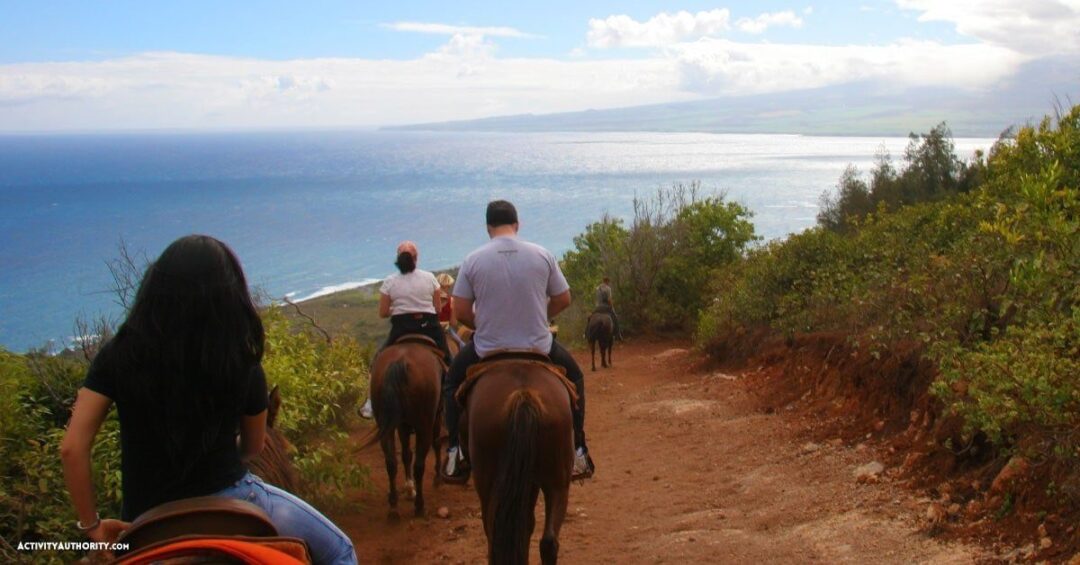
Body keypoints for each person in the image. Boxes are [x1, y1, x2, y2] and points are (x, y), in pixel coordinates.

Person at [60, 235, 356, 565]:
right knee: (340, 551)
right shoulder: (242, 359)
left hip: (142, 517)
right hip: (234, 499)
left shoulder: (117, 355)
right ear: (229, 295)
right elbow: (253, 449)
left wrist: (92, 526)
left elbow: (72, 448)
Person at [443, 200, 593, 480]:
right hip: (538, 345)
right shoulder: (542, 254)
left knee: (451, 382)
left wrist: (486, 324)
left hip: (488, 348)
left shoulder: (473, 259)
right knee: (576, 377)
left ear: (488, 227)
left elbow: (461, 311)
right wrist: (540, 317)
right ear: (517, 224)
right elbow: (563, 298)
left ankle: (455, 453)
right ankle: (578, 451)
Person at [360, 240, 453, 419]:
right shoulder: (429, 278)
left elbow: (383, 313)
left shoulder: (389, 282)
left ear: (398, 258)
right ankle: (452, 398)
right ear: (416, 258)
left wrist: (401, 309)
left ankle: (371, 403)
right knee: (449, 359)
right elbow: (438, 309)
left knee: (378, 360)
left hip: (401, 328)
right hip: (429, 327)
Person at [436, 272, 466, 349]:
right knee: (462, 346)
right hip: (446, 329)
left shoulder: (431, 299)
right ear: (445, 286)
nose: (448, 289)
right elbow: (453, 323)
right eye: (448, 287)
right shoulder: (451, 300)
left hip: (433, 328)